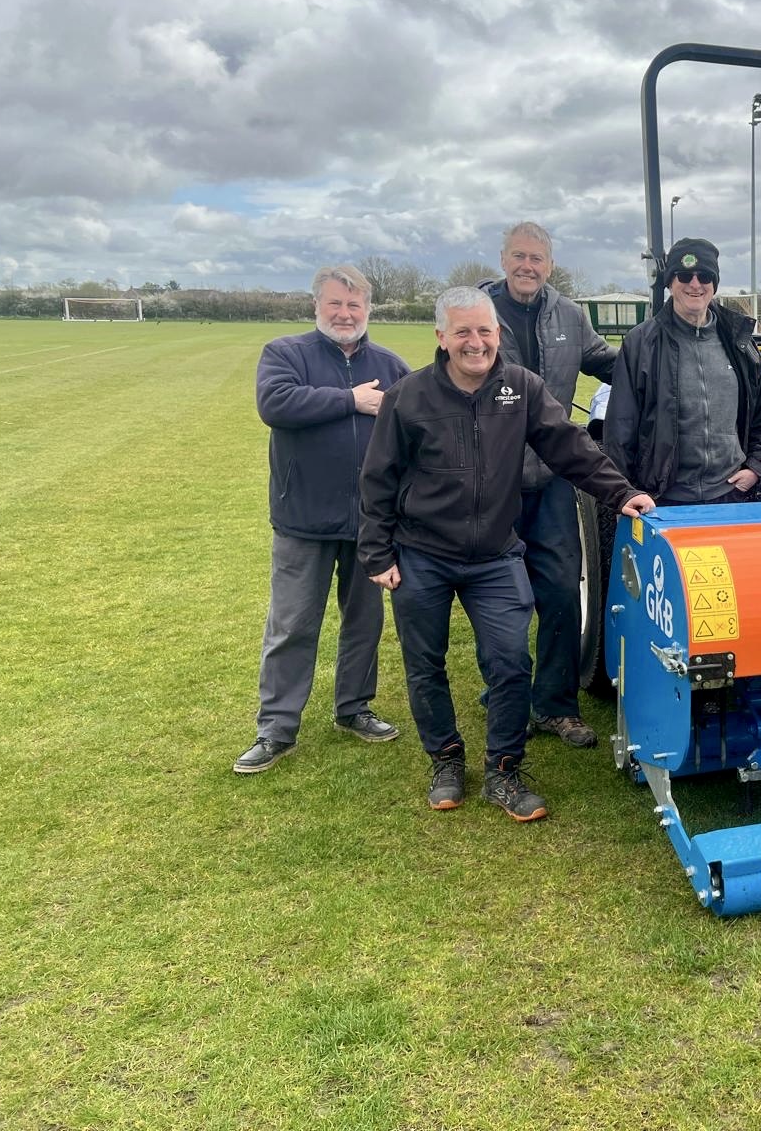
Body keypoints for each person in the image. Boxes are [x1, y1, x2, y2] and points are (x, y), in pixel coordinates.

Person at [358, 287, 654, 823]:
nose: (477, 343)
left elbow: (568, 445)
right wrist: (378, 553)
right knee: (425, 665)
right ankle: (445, 759)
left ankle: (504, 768)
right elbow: (377, 479)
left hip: (495, 555)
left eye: (485, 331)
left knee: (511, 663)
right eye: (464, 332)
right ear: (442, 338)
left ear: (498, 334)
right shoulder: (409, 398)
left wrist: (620, 492)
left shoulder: (520, 388)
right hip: (421, 553)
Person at [236, 265, 410, 775]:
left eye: (354, 306)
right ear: (317, 306)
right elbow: (275, 403)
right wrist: (351, 400)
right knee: (291, 625)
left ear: (368, 310)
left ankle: (353, 708)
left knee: (364, 623)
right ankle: (276, 729)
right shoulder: (286, 354)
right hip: (303, 520)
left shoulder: (390, 364)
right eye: (335, 304)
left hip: (370, 523)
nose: (345, 314)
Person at [476, 222, 617, 748]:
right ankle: (503, 693)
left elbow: (609, 364)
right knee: (496, 595)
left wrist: (659, 366)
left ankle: (556, 705)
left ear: (550, 265)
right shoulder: (480, 314)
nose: (527, 266)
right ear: (503, 259)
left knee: (560, 591)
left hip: (554, 477)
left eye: (536, 258)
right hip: (492, 481)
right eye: (518, 256)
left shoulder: (570, 316)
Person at [603, 237, 761, 504]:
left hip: (729, 495)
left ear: (714, 283)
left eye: (705, 276)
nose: (695, 284)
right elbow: (621, 427)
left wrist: (756, 468)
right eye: (685, 275)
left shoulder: (740, 342)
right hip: (663, 499)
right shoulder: (641, 343)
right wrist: (624, 494)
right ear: (670, 282)